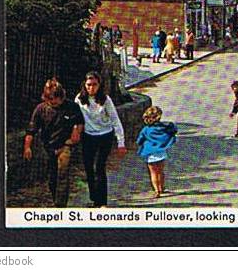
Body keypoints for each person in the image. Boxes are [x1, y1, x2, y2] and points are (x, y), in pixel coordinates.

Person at [23, 78, 85, 207]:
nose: (54, 103)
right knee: (52, 178)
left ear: (62, 97)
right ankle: (56, 199)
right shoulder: (40, 109)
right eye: (51, 101)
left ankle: (60, 206)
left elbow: (80, 122)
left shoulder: (71, 107)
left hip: (65, 145)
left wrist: (76, 131)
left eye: (57, 100)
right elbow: (31, 130)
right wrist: (27, 147)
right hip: (48, 146)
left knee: (63, 174)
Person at [75, 71, 127, 208]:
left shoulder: (106, 100)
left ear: (99, 85)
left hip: (105, 135)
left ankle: (102, 201)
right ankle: (94, 198)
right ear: (84, 85)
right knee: (88, 168)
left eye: (94, 85)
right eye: (89, 85)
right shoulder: (79, 99)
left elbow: (115, 120)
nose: (91, 88)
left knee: (99, 167)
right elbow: (75, 118)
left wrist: (121, 143)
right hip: (88, 136)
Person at [136, 106, 177, 198]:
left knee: (153, 173)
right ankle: (162, 187)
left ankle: (156, 190)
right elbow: (173, 130)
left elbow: (139, 140)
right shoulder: (163, 128)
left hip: (150, 154)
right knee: (161, 171)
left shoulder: (146, 130)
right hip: (161, 152)